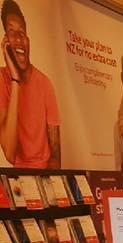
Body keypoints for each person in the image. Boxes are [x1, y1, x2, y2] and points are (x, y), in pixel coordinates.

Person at [0, 0, 60, 168]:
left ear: (28, 39)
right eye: (12, 32)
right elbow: (10, 154)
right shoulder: (2, 79)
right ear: (5, 42)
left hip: (45, 175)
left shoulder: (45, 84)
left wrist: (50, 182)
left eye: (22, 32)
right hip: (19, 179)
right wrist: (15, 80)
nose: (19, 38)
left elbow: (55, 156)